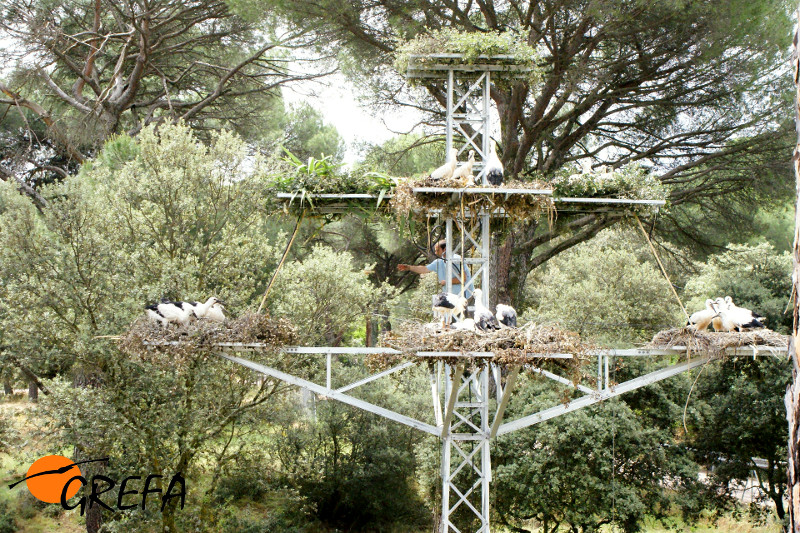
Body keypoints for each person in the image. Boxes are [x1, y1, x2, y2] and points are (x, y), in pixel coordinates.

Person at [398, 240, 473, 299]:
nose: (436, 253)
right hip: (451, 299)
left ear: (445, 249)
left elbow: (463, 278)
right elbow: (424, 269)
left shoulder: (456, 259)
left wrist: (447, 282)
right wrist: (409, 267)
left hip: (465, 298)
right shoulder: (439, 262)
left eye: (437, 250)